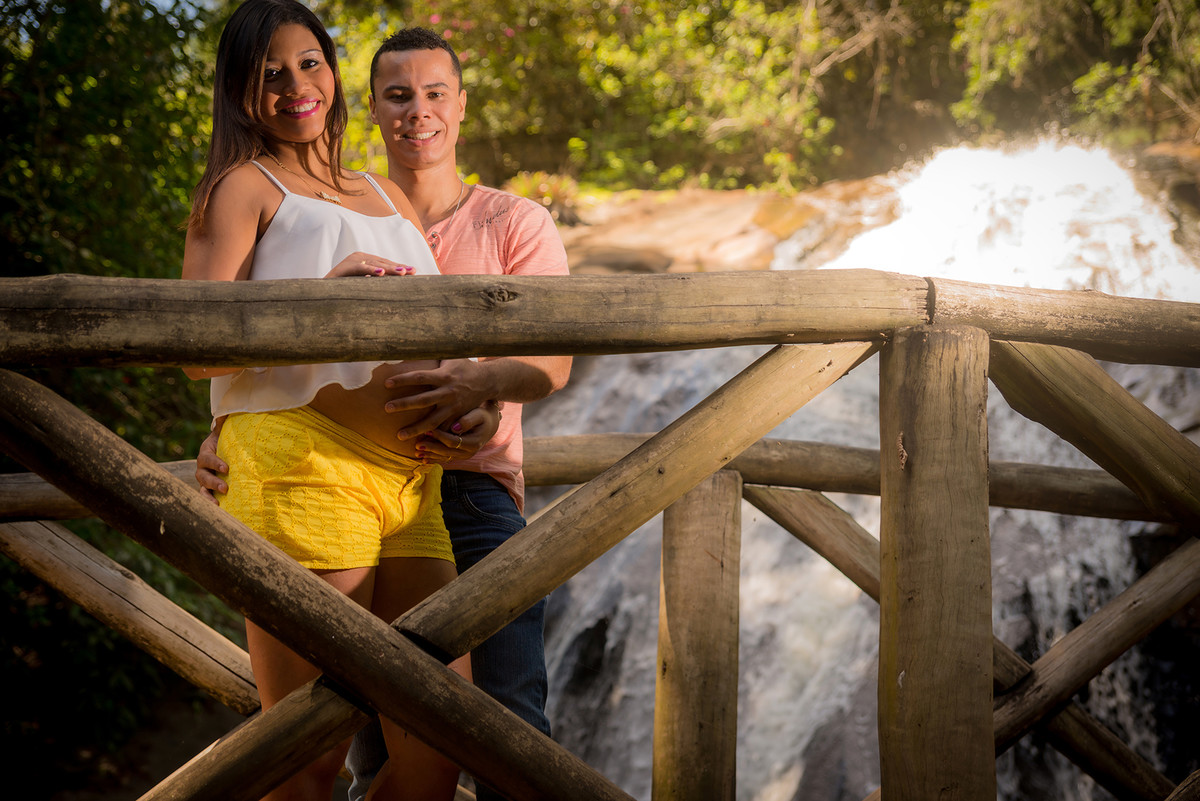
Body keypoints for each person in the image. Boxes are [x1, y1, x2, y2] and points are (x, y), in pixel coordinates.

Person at [195, 25, 573, 801]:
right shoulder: (244, 184)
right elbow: (203, 344)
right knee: (311, 754)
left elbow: (494, 353)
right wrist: (229, 419)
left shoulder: (396, 195)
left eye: (309, 63)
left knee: (447, 743)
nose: (295, 83)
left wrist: (477, 398)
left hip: (424, 487)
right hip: (311, 472)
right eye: (270, 72)